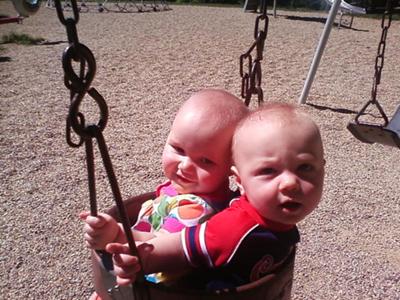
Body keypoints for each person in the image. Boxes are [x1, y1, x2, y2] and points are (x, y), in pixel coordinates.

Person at [106, 102, 326, 289]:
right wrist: (140, 259)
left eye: (305, 167)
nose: (290, 183)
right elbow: (180, 247)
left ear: (322, 169)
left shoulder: (273, 216)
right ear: (240, 181)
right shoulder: (235, 228)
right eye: (268, 171)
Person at [80, 88, 249, 288]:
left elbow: (157, 247)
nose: (185, 165)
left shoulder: (197, 210)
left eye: (205, 161)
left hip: (157, 286)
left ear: (232, 168)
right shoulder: (184, 189)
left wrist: (115, 234)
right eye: (178, 149)